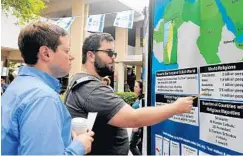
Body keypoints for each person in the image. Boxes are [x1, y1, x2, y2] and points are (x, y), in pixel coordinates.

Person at [64, 33, 193, 155]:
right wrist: (176, 107)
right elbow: (134, 118)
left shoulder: (80, 81)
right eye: (109, 53)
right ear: (91, 56)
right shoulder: (91, 89)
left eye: (114, 53)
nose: (113, 57)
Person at [1, 21, 94, 155]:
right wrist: (79, 147)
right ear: (46, 53)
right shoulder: (43, 98)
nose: (71, 57)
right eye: (66, 51)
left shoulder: (18, 86)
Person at [130, 80, 144, 155]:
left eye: (136, 86)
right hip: (136, 125)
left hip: (137, 127)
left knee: (132, 145)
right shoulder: (137, 98)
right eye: (134, 86)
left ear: (141, 89)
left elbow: (142, 114)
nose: (134, 88)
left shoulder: (142, 99)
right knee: (139, 144)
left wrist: (137, 126)